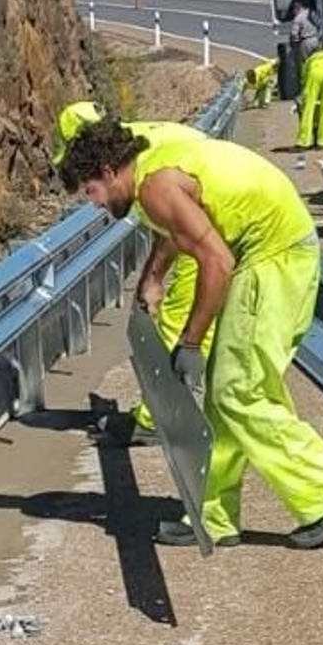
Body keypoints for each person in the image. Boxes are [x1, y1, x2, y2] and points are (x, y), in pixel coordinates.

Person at [59, 121, 323, 549]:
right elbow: (177, 231)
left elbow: (216, 261)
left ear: (110, 172)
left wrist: (189, 342)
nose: (94, 205)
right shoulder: (154, 169)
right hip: (274, 253)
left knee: (239, 391)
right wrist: (153, 277)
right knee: (227, 395)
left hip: (274, 259)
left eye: (91, 192)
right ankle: (214, 515)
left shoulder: (154, 187)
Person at [52, 102, 213, 444]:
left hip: (209, 221)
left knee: (179, 319)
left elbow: (173, 224)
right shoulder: (132, 143)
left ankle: (155, 419)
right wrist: (151, 276)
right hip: (207, 215)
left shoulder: (134, 159)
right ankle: (170, 408)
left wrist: (153, 277)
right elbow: (166, 225)